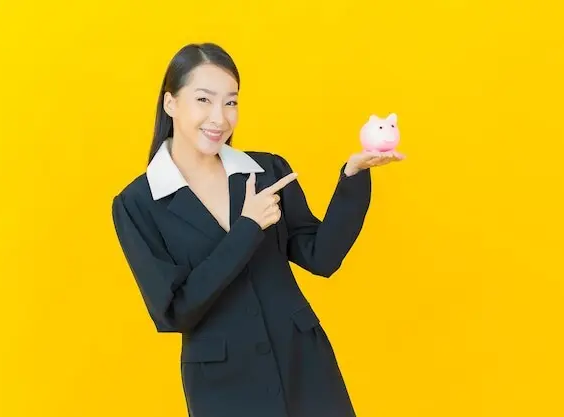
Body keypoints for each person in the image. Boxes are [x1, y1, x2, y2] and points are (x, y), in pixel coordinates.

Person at [111, 42, 404, 417]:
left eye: (231, 102)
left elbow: (322, 257)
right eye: (204, 100)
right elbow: (175, 312)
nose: (219, 117)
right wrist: (247, 227)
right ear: (171, 103)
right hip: (224, 386)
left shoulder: (267, 171)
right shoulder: (138, 203)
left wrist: (354, 176)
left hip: (304, 365)